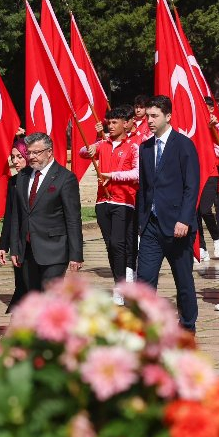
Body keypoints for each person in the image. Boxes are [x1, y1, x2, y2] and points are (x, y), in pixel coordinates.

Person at [136, 95, 199, 333]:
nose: (149, 120)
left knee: (183, 280)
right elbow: (144, 187)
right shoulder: (145, 147)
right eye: (148, 116)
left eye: (154, 116)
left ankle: (188, 325)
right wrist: (141, 222)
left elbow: (192, 185)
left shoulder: (184, 145)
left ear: (168, 116)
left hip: (177, 226)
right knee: (144, 280)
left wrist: (184, 218)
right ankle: (143, 325)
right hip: (151, 226)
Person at [79, 106, 139, 304]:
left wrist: (112, 176)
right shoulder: (103, 144)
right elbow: (82, 152)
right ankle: (119, 281)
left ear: (125, 124)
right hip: (102, 200)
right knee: (110, 246)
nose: (111, 126)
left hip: (123, 201)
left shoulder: (132, 147)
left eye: (115, 123)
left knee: (118, 243)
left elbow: (137, 174)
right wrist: (91, 149)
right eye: (109, 123)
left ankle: (121, 286)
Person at [9, 132, 83, 291]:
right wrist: (14, 247)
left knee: (50, 297)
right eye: (29, 153)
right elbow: (17, 215)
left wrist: (76, 255)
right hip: (27, 250)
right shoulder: (22, 176)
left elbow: (73, 219)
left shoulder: (65, 178)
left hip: (54, 250)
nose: (32, 157)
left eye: (37, 152)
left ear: (49, 152)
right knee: (32, 297)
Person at [0, 138, 29, 312]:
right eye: (13, 157)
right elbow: (9, 215)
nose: (15, 161)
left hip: (37, 240)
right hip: (18, 241)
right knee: (21, 283)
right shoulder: (13, 182)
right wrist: (4, 245)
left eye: (19, 157)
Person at [196, 97, 219, 262]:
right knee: (195, 211)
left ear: (212, 109)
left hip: (211, 172)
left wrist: (214, 127)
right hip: (196, 173)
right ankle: (201, 246)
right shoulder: (196, 128)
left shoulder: (216, 127)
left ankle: (217, 238)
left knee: (205, 209)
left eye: (207, 108)